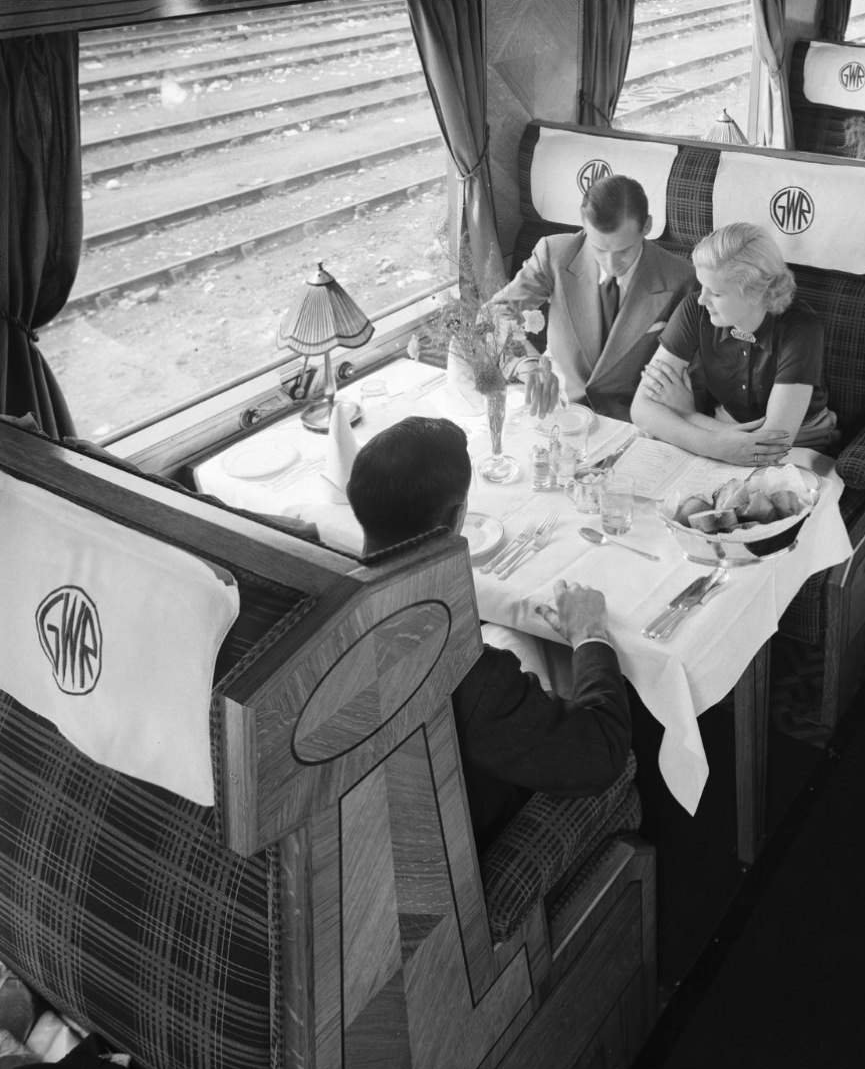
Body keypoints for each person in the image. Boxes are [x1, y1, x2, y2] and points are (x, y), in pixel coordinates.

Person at [346, 416, 631, 847]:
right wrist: (591, 633)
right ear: (458, 515)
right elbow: (601, 752)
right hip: (462, 844)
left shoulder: (329, 608)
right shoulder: (467, 672)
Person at [630, 222, 838, 466]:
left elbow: (772, 445)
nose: (702, 300)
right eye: (702, 286)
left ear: (755, 293)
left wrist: (687, 415)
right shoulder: (694, 309)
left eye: (716, 293)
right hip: (721, 428)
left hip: (799, 443)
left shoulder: (801, 329)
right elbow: (641, 409)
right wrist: (714, 444)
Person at [493, 173, 694, 421]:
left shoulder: (682, 279)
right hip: (557, 408)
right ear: (584, 225)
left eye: (624, 250)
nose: (611, 263)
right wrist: (528, 365)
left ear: (647, 226)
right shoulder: (554, 254)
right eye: (599, 249)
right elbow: (495, 314)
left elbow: (690, 376)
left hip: (633, 422)